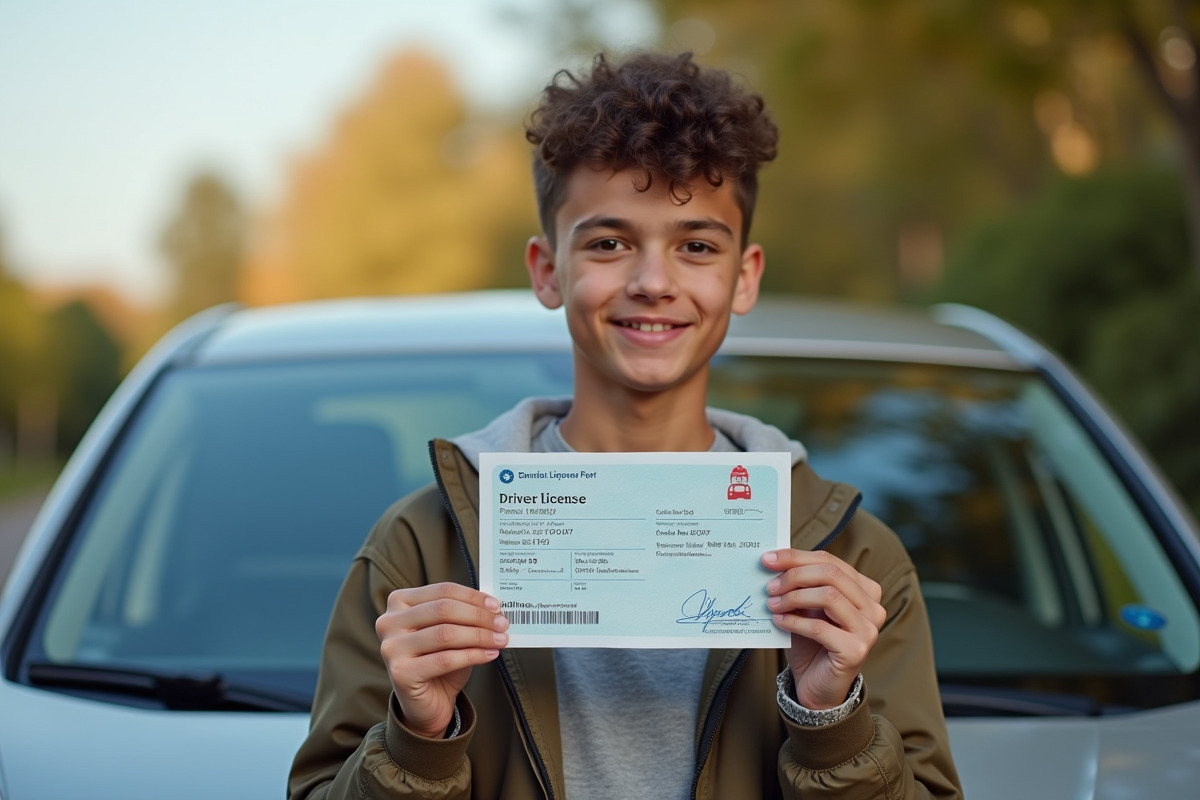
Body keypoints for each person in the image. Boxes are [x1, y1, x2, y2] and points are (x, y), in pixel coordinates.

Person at [288, 51, 962, 799]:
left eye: (697, 247)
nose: (653, 282)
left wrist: (831, 711)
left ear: (745, 276)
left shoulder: (855, 560)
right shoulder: (419, 548)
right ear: (548, 271)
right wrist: (419, 736)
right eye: (609, 243)